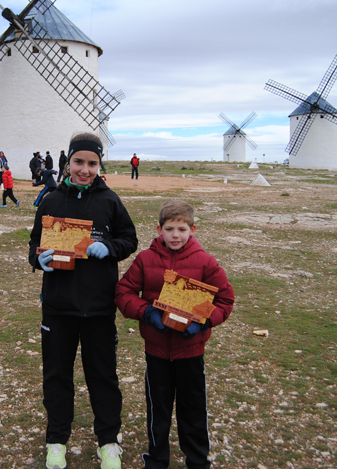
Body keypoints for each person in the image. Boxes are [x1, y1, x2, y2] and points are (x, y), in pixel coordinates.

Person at [29, 132, 138, 469]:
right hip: (58, 308)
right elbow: (34, 243)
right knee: (57, 376)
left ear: (99, 165)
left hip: (99, 307)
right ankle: (56, 441)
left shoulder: (110, 201)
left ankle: (108, 442)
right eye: (79, 162)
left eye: (92, 163)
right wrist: (38, 260)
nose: (85, 169)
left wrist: (111, 249)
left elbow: (129, 238)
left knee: (102, 376)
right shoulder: (50, 201)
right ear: (68, 163)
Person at [115, 200, 234, 469]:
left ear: (193, 230)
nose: (175, 235)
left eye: (182, 229)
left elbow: (225, 300)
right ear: (159, 229)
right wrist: (147, 313)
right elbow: (124, 292)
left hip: (190, 351)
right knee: (158, 409)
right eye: (169, 229)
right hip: (156, 351)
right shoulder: (145, 259)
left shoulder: (205, 262)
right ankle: (157, 459)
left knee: (193, 408)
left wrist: (203, 322)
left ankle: (197, 460)